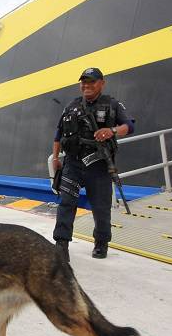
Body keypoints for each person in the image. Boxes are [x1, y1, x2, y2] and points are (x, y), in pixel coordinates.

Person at [52, 68, 133, 261]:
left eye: (91, 82)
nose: (86, 85)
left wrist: (112, 131)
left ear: (102, 83)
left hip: (98, 165)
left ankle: (101, 243)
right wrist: (55, 158)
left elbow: (129, 126)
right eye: (84, 82)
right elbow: (58, 134)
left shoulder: (112, 105)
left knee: (101, 207)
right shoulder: (71, 106)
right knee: (66, 203)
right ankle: (61, 244)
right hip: (72, 164)